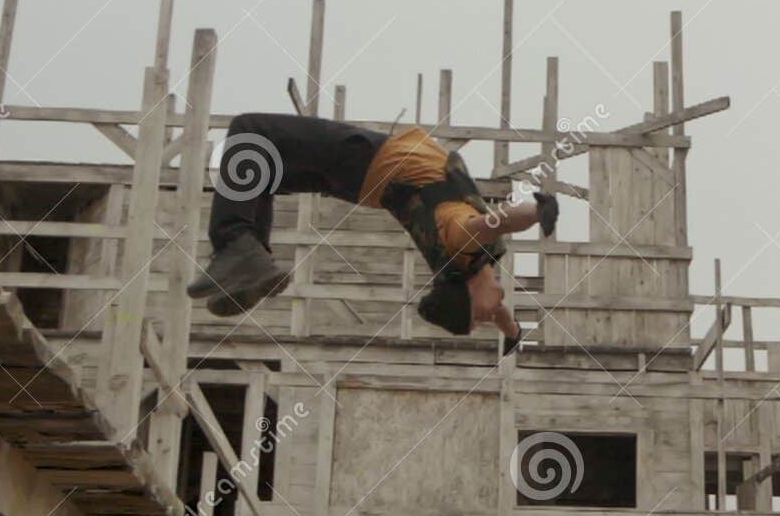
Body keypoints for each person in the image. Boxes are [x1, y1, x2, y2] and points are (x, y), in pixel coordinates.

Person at [187, 113, 557, 352]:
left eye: (479, 317)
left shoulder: (463, 243)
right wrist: (512, 335)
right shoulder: (471, 271)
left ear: (467, 294)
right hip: (362, 187)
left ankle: (237, 245)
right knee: (260, 169)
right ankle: (251, 258)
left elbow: (500, 220)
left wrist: (538, 211)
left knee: (250, 133)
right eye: (482, 320)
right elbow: (503, 316)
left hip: (367, 161)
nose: (487, 317)